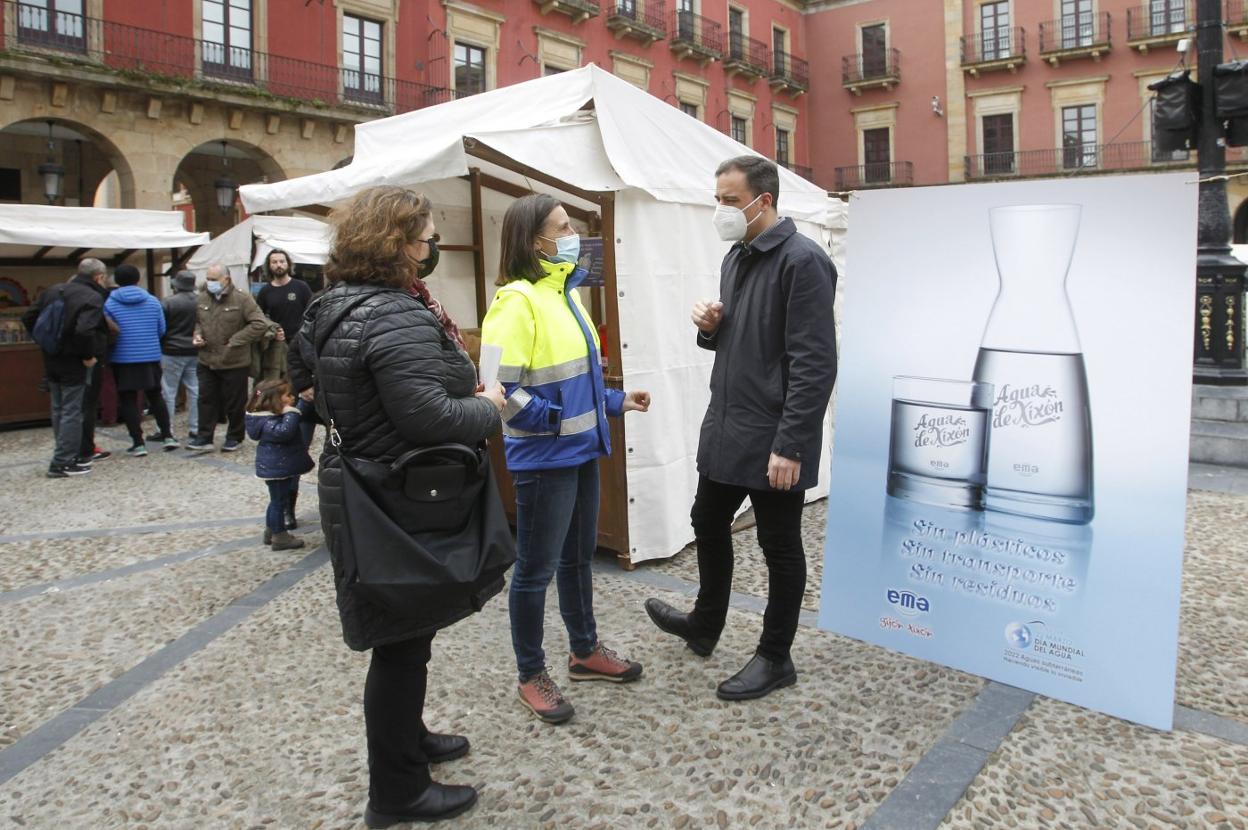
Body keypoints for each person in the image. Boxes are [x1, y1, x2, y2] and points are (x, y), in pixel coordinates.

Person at [290, 186, 505, 826]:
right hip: (395, 494)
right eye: (426, 236)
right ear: (399, 244)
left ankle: (409, 743)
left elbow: (328, 394)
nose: (431, 245)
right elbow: (428, 415)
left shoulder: (334, 306)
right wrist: (488, 408)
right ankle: (398, 792)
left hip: (366, 481)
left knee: (407, 634)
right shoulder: (393, 314)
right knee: (400, 643)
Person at [644, 156, 838, 701]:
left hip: (776, 434)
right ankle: (705, 624)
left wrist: (793, 444)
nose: (720, 210)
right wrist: (712, 328)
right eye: (718, 199)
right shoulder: (737, 257)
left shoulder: (804, 261)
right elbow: (745, 338)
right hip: (728, 424)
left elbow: (815, 362)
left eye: (729, 200)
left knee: (779, 546)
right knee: (707, 519)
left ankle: (775, 657)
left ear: (764, 201)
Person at [480, 194, 652, 725]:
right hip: (544, 462)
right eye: (562, 226)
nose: (573, 232)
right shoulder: (515, 303)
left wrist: (618, 402)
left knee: (577, 561)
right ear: (536, 241)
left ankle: (584, 651)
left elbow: (580, 381)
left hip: (580, 455)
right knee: (535, 571)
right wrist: (553, 422)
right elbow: (495, 389)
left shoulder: (568, 297)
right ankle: (530, 674)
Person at [21, 259, 111, 478]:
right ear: (98, 277)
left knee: (59, 409)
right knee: (72, 410)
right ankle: (64, 461)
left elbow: (28, 317)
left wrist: (46, 342)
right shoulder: (92, 297)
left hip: (52, 357)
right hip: (75, 360)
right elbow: (83, 331)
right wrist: (87, 356)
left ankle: (64, 456)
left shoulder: (53, 290)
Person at [186, 264, 267, 453]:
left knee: (235, 402)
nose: (210, 282)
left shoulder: (242, 299)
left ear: (226, 279)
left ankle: (234, 436)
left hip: (234, 360)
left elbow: (259, 324)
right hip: (207, 359)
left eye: (213, 279)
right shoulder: (203, 297)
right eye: (208, 278)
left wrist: (236, 340)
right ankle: (204, 437)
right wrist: (197, 335)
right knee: (206, 398)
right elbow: (198, 321)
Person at [105, 264, 176, 455]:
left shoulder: (110, 303)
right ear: (138, 280)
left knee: (128, 400)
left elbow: (109, 331)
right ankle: (167, 435)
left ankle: (138, 443)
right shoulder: (152, 301)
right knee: (155, 395)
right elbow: (161, 329)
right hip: (150, 355)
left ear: (116, 282)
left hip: (122, 357)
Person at [245, 378, 312, 551]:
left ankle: (271, 530)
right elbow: (285, 432)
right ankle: (280, 536)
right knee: (278, 502)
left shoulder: (268, 417)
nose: (292, 398)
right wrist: (292, 413)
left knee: (276, 500)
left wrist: (301, 404)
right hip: (277, 468)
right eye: (288, 395)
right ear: (275, 400)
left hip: (276, 467)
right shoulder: (268, 421)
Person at [159, 270, 200, 441]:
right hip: (195, 350)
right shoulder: (201, 301)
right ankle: (196, 427)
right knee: (195, 390)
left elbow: (161, 327)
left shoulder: (167, 302)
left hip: (171, 350)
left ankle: (167, 429)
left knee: (169, 391)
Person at [257, 248, 312, 373]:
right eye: (274, 262)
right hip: (277, 344)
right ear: (269, 266)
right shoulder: (265, 291)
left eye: (282, 261)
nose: (279, 265)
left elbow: (313, 313)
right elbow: (258, 318)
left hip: (300, 344)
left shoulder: (301, 287)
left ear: (288, 264)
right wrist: (271, 330)